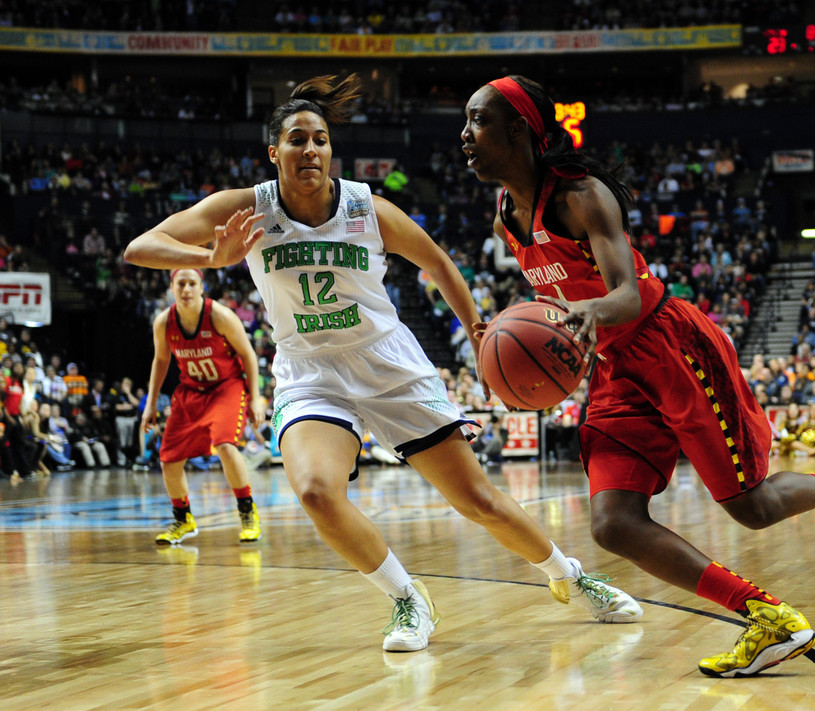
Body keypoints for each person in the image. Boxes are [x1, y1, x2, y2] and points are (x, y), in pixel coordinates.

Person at [124, 74, 641, 654]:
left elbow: (438, 264)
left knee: (477, 500)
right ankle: (407, 597)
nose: (310, 150)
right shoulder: (247, 207)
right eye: (297, 140)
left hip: (388, 364)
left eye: (320, 140)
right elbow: (139, 247)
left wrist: (478, 335)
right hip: (310, 372)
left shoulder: (365, 207)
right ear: (274, 153)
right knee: (316, 491)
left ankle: (571, 575)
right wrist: (208, 258)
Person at [462, 74, 815, 677]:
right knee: (613, 524)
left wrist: (588, 312)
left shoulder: (581, 197)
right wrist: (518, 357)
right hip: (615, 368)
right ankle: (766, 616)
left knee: (752, 507)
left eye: (478, 121)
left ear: (520, 130)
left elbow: (627, 294)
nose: (465, 135)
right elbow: (554, 307)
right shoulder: (506, 215)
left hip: (670, 347)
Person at [139, 267, 264, 546]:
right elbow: (161, 361)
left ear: (201, 287)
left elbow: (247, 354)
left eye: (192, 283)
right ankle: (183, 519)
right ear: (171, 287)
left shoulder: (219, 315)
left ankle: (247, 512)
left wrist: (255, 396)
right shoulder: (164, 322)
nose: (186, 289)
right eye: (180, 284)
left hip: (226, 387)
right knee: (168, 459)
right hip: (191, 391)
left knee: (225, 445)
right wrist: (151, 403)